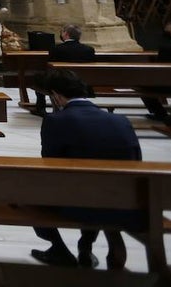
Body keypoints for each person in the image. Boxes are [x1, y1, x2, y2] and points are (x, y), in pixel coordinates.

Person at [30, 69, 141, 269]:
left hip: (77, 203)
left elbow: (49, 163)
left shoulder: (56, 121)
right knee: (95, 188)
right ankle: (86, 246)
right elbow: (136, 161)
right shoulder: (120, 120)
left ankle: (59, 249)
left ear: (55, 96)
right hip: (123, 203)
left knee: (24, 190)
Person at [34, 24, 95, 115]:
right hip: (82, 81)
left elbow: (50, 66)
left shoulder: (57, 49)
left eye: (62, 32)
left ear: (66, 34)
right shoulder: (89, 49)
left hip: (60, 81)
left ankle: (40, 107)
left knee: (37, 77)